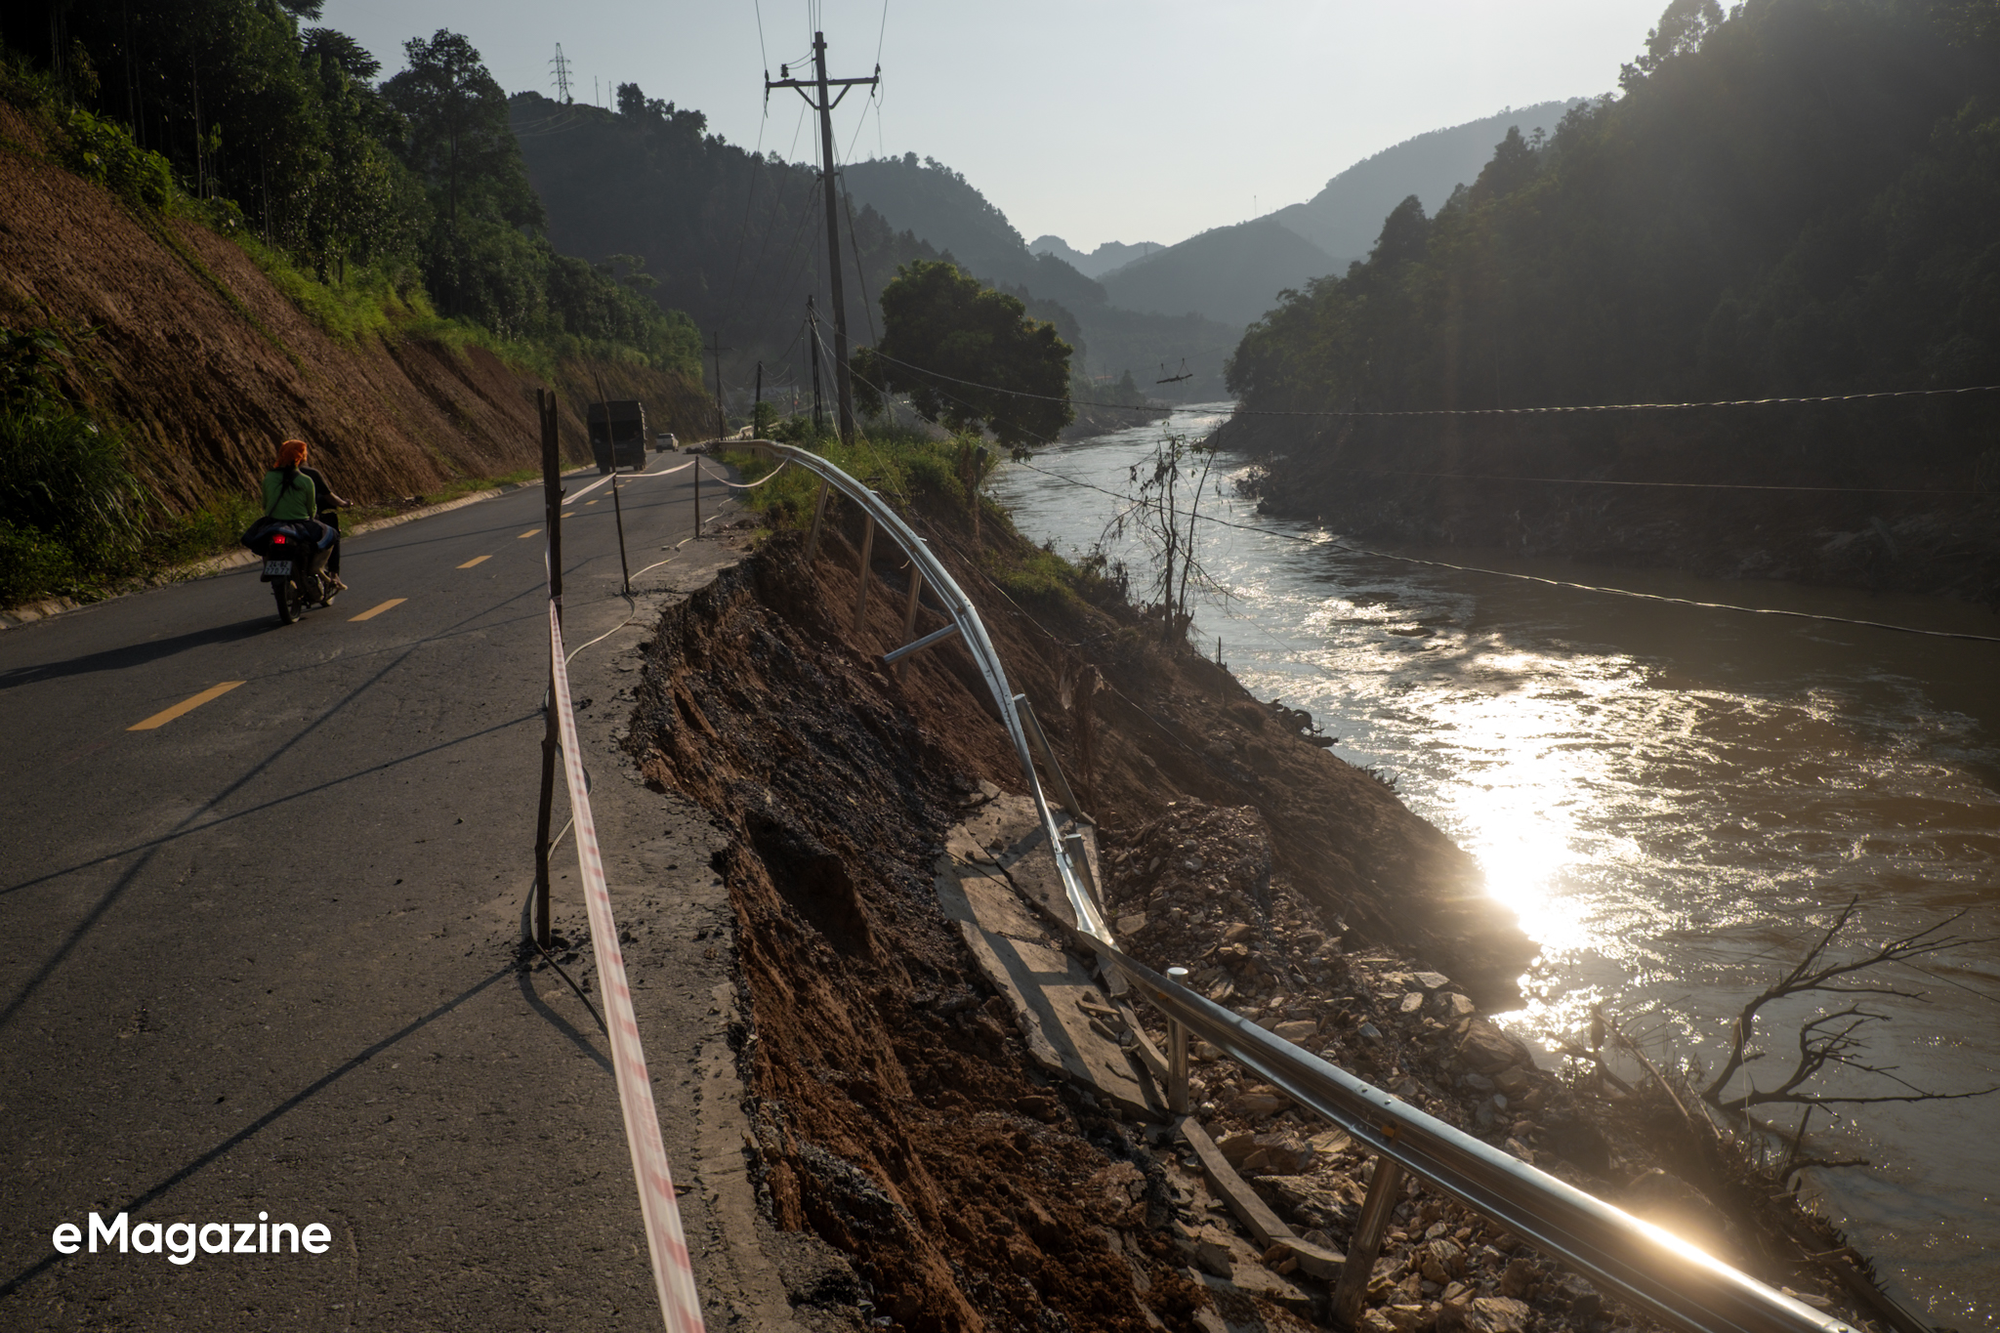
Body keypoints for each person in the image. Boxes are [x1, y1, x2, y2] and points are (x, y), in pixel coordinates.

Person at [260, 439, 342, 591]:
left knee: (263, 541)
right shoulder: (306, 479)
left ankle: (267, 567)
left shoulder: (269, 477)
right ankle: (317, 568)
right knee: (332, 534)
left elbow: (265, 504)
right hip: (300, 523)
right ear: (302, 456)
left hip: (274, 522)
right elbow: (311, 509)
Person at [298, 455, 353, 591]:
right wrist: (344, 503)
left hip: (275, 521)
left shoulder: (273, 475)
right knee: (332, 534)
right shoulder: (308, 475)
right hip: (304, 520)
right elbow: (319, 503)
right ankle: (334, 575)